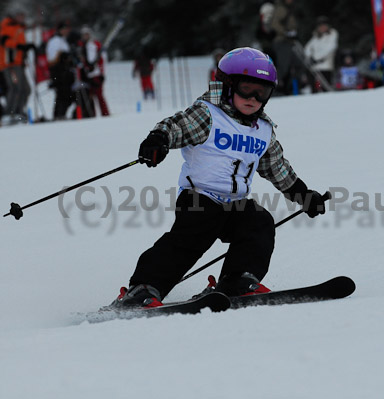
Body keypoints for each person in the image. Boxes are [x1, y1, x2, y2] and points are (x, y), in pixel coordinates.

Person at [109, 47, 327, 308]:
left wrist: (302, 194)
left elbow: (277, 167)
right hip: (199, 199)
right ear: (227, 85)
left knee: (258, 222)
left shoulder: (263, 130)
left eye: (263, 92)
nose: (254, 98)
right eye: (247, 88)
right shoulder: (209, 115)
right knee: (190, 238)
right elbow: (176, 125)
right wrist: (159, 140)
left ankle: (237, 280)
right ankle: (143, 288)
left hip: (234, 201)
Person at [0, 6, 33, 124]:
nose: (22, 18)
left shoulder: (19, 28)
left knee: (26, 89)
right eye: (20, 15)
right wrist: (19, 47)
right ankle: (10, 113)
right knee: (15, 88)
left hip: (18, 63)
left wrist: (26, 48)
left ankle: (18, 111)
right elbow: (4, 41)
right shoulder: (7, 25)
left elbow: (20, 44)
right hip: (9, 64)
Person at [46, 22, 75, 120]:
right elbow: (52, 59)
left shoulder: (63, 41)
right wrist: (63, 58)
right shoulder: (55, 41)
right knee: (62, 94)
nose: (66, 31)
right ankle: (58, 114)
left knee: (66, 94)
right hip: (59, 72)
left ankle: (60, 114)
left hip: (65, 72)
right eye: (64, 29)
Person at [79, 26, 109, 116]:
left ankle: (105, 113)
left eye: (87, 34)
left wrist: (100, 72)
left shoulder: (92, 45)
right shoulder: (83, 46)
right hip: (88, 75)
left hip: (95, 75)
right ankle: (92, 114)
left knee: (99, 96)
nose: (85, 36)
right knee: (90, 96)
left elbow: (96, 61)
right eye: (84, 35)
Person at [304, 16, 338, 92]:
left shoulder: (332, 34)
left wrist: (316, 58)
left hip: (325, 67)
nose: (322, 27)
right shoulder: (316, 36)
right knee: (314, 88)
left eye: (324, 25)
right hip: (314, 68)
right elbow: (308, 48)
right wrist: (310, 57)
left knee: (325, 88)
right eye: (320, 25)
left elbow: (330, 48)